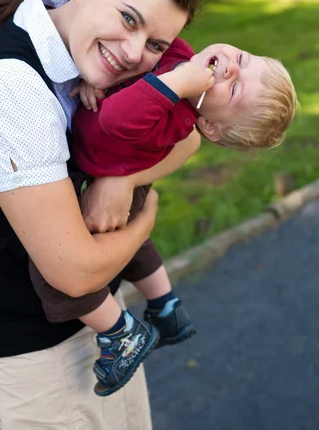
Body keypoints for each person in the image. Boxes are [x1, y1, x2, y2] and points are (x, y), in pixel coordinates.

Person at [0, 0, 205, 430]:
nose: (134, 53)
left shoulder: (84, 64)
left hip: (92, 339)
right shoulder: (11, 84)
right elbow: (74, 273)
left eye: (156, 45)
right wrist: (145, 220)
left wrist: (119, 180)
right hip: (23, 370)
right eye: (128, 18)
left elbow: (189, 140)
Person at [29, 35, 297, 396]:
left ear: (210, 127)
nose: (231, 66)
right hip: (122, 180)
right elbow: (135, 62)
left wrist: (177, 82)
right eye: (243, 58)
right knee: (133, 248)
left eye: (233, 90)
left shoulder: (174, 119)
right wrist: (98, 79)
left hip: (96, 171)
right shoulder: (182, 56)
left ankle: (120, 332)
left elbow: (109, 122)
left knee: (56, 265)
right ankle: (166, 304)